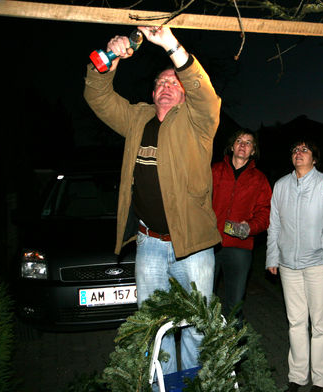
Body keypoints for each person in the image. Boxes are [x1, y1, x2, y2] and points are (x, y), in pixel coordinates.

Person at [84, 26, 221, 376]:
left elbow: (206, 95)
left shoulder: (199, 122)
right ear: (152, 91)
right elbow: (98, 98)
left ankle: (195, 384)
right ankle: (165, 384)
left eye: (175, 83)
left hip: (192, 245)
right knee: (153, 327)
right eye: (161, 82)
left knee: (197, 326)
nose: (166, 87)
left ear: (185, 93)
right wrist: (109, 60)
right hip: (149, 243)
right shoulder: (137, 119)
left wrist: (172, 46)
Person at [266, 140, 323, 392]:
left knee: (320, 325)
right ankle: (297, 376)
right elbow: (275, 225)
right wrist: (272, 257)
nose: (298, 153)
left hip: (319, 265)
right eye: (294, 150)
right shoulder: (281, 186)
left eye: (304, 150)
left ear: (314, 159)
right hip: (288, 266)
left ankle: (322, 380)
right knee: (295, 323)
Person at [211, 129, 272, 326]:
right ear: (232, 146)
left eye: (248, 142)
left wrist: (251, 227)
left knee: (234, 303)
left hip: (239, 247)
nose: (243, 145)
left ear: (253, 151)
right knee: (203, 300)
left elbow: (266, 212)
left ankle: (233, 351)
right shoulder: (214, 170)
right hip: (208, 245)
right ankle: (203, 348)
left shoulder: (260, 179)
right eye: (239, 140)